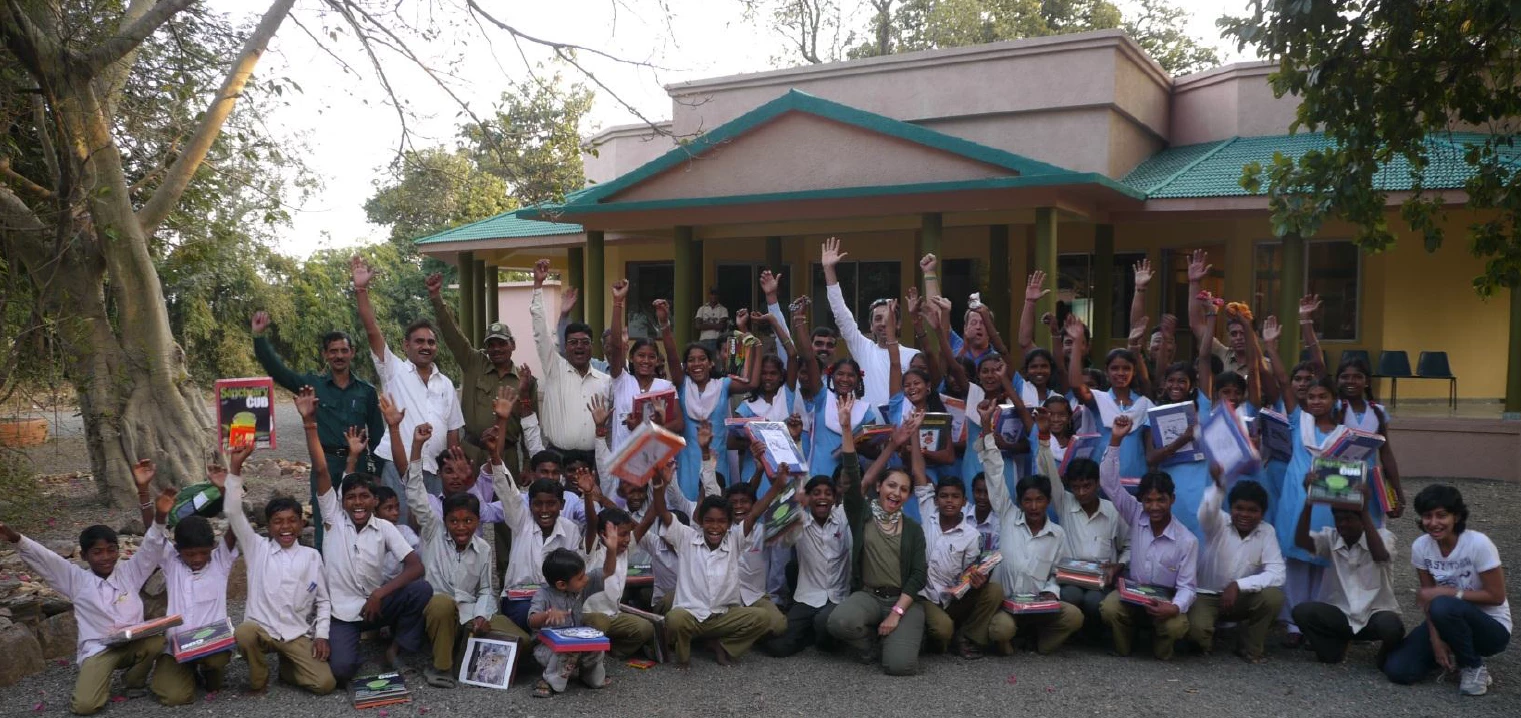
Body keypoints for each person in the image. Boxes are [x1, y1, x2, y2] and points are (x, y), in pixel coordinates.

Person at [1, 466, 169, 715]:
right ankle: (100, 679)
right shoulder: (77, 581)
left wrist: (147, 496)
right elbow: (47, 559)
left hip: (134, 643)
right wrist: (15, 538)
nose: (106, 557)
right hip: (99, 650)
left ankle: (133, 681)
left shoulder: (129, 572)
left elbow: (153, 545)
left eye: (111, 550)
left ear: (118, 550)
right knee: (86, 706)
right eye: (97, 552)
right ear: (85, 555)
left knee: (158, 641)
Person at [296, 386, 432, 684]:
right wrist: (310, 423)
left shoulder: (384, 527)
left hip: (376, 604)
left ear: (375, 501)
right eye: (351, 498)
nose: (358, 503)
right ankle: (352, 644)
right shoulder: (333, 520)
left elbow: (416, 567)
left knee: (421, 590)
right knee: (343, 670)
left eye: (364, 497)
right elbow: (321, 470)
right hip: (343, 612)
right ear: (342, 503)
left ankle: (395, 648)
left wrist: (380, 593)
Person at [393, 411, 516, 689]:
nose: (461, 527)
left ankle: (475, 652)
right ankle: (441, 668)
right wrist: (416, 447)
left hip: (469, 611)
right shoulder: (434, 529)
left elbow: (486, 589)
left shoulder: (483, 547)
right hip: (437, 609)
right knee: (441, 604)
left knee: (520, 639)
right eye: (454, 521)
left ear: (478, 521)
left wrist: (483, 614)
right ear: (444, 521)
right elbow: (413, 490)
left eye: (468, 521)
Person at [251, 310, 382, 549]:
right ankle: (326, 574)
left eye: (344, 350)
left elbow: (378, 435)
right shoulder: (313, 386)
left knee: (360, 520)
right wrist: (259, 338)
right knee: (326, 523)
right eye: (333, 351)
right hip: (326, 465)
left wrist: (377, 474)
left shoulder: (366, 391)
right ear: (325, 355)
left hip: (359, 465)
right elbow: (280, 372)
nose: (339, 356)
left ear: (352, 353)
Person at [352, 256, 465, 525]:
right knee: (399, 532)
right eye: (419, 342)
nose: (426, 346)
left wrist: (453, 470)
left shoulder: (445, 383)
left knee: (435, 531)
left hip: (436, 472)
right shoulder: (394, 371)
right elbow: (371, 330)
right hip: (397, 468)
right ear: (406, 346)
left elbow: (452, 434)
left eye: (431, 342)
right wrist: (361, 290)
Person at [220, 444, 336, 697]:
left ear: (301, 523)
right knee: (244, 632)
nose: (285, 527)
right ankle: (258, 680)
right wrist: (236, 467)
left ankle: (287, 670)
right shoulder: (256, 548)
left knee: (325, 684)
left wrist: (322, 635)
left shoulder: (311, 556)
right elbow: (232, 511)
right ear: (269, 526)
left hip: (295, 633)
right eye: (278, 522)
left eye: (292, 521)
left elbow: (324, 601)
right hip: (263, 630)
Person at [827, 393, 930, 675]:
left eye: (903, 489)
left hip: (902, 602)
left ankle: (905, 638)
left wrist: (897, 613)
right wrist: (847, 428)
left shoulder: (913, 529)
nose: (896, 493)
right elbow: (852, 471)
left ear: (908, 496)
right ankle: (871, 645)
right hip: (869, 597)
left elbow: (918, 576)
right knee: (838, 622)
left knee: (899, 667)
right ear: (880, 487)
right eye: (891, 485)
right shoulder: (862, 514)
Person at [976, 408, 1084, 656]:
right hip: (1006, 605)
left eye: (1039, 500)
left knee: (1074, 617)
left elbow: (1058, 573)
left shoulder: (1057, 534)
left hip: (1039, 607)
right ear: (1020, 502)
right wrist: (986, 426)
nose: (1033, 507)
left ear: (1048, 501)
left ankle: (1037, 641)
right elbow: (994, 473)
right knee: (1001, 631)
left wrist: (1051, 591)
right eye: (1028, 501)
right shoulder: (1008, 515)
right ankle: (1010, 641)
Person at [1384, 485, 1511, 695]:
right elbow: (1428, 598)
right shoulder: (1421, 547)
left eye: (1441, 515)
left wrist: (1449, 593)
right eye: (1427, 516)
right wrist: (1436, 640)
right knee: (1398, 670)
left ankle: (1473, 666)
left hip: (1490, 627)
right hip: (1445, 618)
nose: (1433, 523)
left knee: (1442, 603)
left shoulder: (1478, 544)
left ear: (1457, 516)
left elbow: (1497, 597)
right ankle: (1451, 653)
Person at [649, 457, 774, 668]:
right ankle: (684, 655)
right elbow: (663, 512)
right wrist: (660, 485)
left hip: (723, 616)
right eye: (709, 521)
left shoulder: (735, 539)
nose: (715, 527)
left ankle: (723, 646)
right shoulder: (687, 537)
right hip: (692, 615)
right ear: (701, 521)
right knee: (675, 619)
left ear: (729, 523)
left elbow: (755, 512)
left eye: (721, 521)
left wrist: (777, 485)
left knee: (763, 617)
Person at [1098, 415, 1198, 661]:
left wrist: (1173, 607)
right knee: (1109, 608)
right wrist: (1115, 440)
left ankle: (1160, 649)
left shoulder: (1187, 540)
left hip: (1164, 601)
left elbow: (1187, 587)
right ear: (1141, 500)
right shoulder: (1135, 514)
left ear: (1172, 500)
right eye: (1148, 500)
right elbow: (1109, 484)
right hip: (1133, 596)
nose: (1154, 507)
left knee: (1176, 626)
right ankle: (1125, 648)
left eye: (1161, 500)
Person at [912, 418, 1003, 659]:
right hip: (925, 596)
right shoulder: (928, 513)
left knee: (992, 590)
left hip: (952, 599)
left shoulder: (972, 535)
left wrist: (974, 581)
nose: (949, 501)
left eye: (955, 497)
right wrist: (913, 433)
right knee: (941, 631)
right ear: (936, 500)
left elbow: (967, 576)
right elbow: (918, 471)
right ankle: (946, 636)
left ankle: (967, 635)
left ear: (964, 501)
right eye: (943, 496)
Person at [425, 272, 532, 473]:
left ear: (513, 345)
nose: (496, 349)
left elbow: (529, 423)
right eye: (491, 344)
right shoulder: (474, 362)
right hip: (472, 453)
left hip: (506, 457)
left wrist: (527, 462)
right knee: (468, 503)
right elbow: (453, 334)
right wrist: (436, 298)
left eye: (502, 343)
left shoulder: (525, 381)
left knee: (504, 504)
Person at [1035, 410, 1128, 640]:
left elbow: (1128, 545)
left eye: (1087, 486)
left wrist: (1118, 566)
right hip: (1070, 577)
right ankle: (1074, 635)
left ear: (1097, 484)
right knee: (1072, 597)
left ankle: (1094, 637)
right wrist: (1044, 437)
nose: (1081, 492)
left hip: (1101, 579)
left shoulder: (1113, 512)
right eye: (1076, 487)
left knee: (1094, 600)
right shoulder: (1065, 502)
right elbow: (1048, 475)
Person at [1291, 481, 1404, 668]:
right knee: (1302, 612)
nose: (1343, 524)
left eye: (1349, 519)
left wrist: (1365, 509)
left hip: (1374, 615)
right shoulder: (1331, 537)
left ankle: (1384, 656)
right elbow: (1301, 541)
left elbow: (1380, 556)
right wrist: (1309, 502)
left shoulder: (1383, 536)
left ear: (1362, 520)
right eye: (1339, 519)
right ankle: (1337, 646)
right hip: (1341, 616)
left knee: (1391, 627)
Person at [656, 298, 759, 499]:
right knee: (688, 512)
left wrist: (744, 331)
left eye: (702, 359)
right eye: (691, 360)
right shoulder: (683, 385)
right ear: (685, 366)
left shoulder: (723, 385)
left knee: (717, 513)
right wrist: (665, 324)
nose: (697, 364)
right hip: (687, 463)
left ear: (711, 363)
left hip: (717, 462)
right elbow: (672, 356)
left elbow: (753, 382)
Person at [1188, 470, 1285, 663]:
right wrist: (1218, 485)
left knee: (1273, 597)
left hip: (1239, 598)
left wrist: (1238, 585)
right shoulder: (1218, 522)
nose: (1245, 515)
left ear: (1262, 513)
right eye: (1239, 508)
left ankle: (1249, 646)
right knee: (1195, 639)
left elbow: (1278, 573)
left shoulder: (1266, 531)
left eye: (1252, 510)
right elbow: (1206, 512)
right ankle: (1208, 634)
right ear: (1230, 508)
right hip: (1206, 595)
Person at [149, 504, 239, 705]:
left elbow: (235, 529)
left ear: (212, 547)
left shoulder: (219, 562)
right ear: (178, 550)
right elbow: (153, 535)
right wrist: (145, 494)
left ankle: (208, 672)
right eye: (190, 554)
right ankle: (185, 671)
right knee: (175, 698)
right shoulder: (172, 563)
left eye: (203, 553)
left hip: (211, 646)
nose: (198, 559)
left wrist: (226, 491)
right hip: (176, 647)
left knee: (216, 667)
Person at [820, 236, 919, 407]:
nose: (883, 323)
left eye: (889, 318)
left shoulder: (913, 356)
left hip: (902, 429)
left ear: (899, 324)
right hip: (866, 428)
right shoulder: (864, 348)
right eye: (878, 319)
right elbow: (842, 316)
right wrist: (829, 270)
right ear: (871, 326)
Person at [529, 258, 613, 453]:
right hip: (558, 459)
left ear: (592, 347)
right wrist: (538, 286)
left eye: (584, 343)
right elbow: (540, 332)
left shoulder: (605, 381)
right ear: (565, 347)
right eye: (573, 343)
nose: (579, 347)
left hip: (595, 461)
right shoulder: (554, 369)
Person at [764, 472, 851, 657]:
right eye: (816, 493)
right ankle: (809, 635)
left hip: (838, 596)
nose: (822, 497)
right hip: (808, 597)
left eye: (828, 493)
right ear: (808, 498)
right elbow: (779, 528)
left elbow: (860, 487)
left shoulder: (843, 517)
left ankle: (818, 633)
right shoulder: (799, 521)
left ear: (835, 498)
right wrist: (795, 502)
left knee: (826, 629)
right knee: (779, 647)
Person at [608, 278, 684, 450]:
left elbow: (679, 424)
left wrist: (649, 427)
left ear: (657, 360)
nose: (646, 361)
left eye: (651, 357)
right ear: (632, 357)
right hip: (625, 461)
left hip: (658, 463)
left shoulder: (666, 387)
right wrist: (618, 302)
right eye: (641, 355)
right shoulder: (621, 380)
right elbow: (615, 346)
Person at [529, 548, 614, 696]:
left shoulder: (580, 587)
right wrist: (547, 614)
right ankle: (549, 681)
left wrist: (612, 549)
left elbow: (607, 571)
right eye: (581, 577)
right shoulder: (542, 594)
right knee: (566, 652)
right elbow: (531, 620)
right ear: (561, 584)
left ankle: (590, 677)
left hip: (576, 644)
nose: (586, 579)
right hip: (548, 649)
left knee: (596, 647)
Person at [582, 507, 658, 658]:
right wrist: (589, 494)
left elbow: (647, 521)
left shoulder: (625, 549)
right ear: (603, 534)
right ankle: (585, 659)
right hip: (588, 616)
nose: (628, 539)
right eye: (622, 534)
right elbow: (592, 523)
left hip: (614, 616)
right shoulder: (593, 551)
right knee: (600, 621)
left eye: (629, 534)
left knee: (646, 628)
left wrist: (657, 486)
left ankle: (613, 650)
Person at [695, 285, 730, 349]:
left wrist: (706, 325)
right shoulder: (702, 309)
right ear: (709, 295)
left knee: (715, 359)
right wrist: (715, 325)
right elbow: (698, 326)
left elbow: (721, 326)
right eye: (712, 294)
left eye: (715, 294)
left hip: (717, 340)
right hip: (703, 340)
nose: (714, 296)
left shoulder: (723, 309)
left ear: (718, 296)